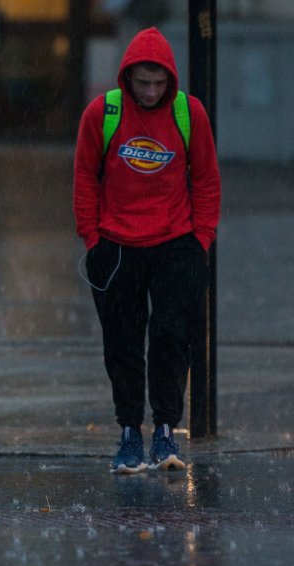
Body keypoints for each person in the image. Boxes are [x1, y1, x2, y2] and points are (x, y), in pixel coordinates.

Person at [73, 27, 221, 474]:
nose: (152, 92)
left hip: (176, 244)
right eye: (143, 83)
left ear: (170, 79)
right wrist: (92, 239)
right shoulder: (103, 114)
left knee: (172, 337)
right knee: (122, 343)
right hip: (116, 245)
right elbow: (84, 179)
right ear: (128, 77)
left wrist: (201, 240)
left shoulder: (188, 112)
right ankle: (128, 431)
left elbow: (208, 179)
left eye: (159, 83)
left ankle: (165, 430)